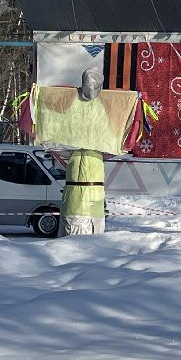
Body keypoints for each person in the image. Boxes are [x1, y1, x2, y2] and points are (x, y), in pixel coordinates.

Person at [58, 68, 107, 236]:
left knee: (91, 244)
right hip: (77, 195)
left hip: (94, 195)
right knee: (74, 244)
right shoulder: (73, 104)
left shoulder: (103, 107)